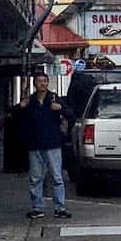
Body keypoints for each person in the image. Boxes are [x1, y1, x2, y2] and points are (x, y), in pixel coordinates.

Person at [18, 72, 74, 220]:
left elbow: (71, 115)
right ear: (35, 83)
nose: (42, 84)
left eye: (45, 81)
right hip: (34, 144)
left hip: (52, 144)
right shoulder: (30, 100)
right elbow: (16, 117)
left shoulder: (54, 98)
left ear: (48, 83)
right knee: (36, 178)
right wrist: (20, 107)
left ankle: (60, 208)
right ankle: (37, 207)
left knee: (56, 177)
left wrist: (60, 108)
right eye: (39, 81)